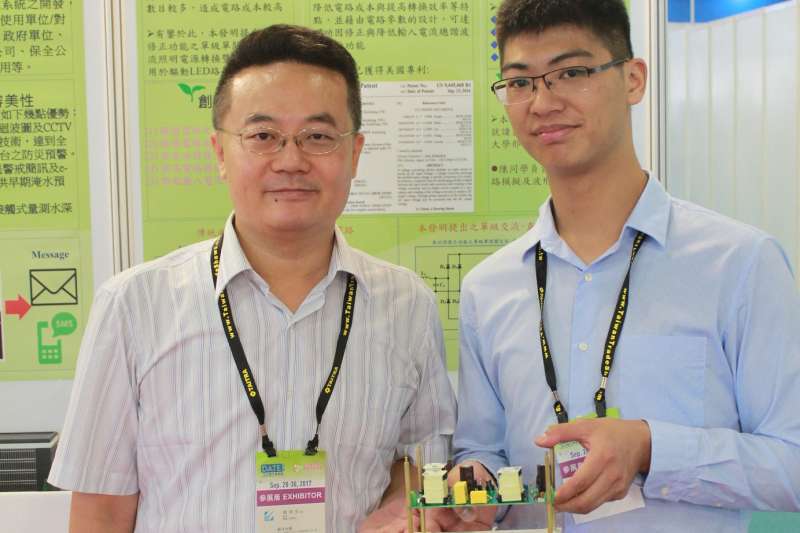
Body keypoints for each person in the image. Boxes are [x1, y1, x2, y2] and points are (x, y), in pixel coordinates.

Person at [48, 24, 456, 532]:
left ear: (354, 153)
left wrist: (399, 506)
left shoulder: (406, 304)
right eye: (263, 136)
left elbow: (418, 463)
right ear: (221, 153)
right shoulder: (134, 305)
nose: (291, 160)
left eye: (318, 137)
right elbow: (100, 513)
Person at [450, 0, 800, 531]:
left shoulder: (739, 264)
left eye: (571, 73)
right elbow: (483, 450)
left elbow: (792, 462)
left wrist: (651, 448)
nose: (542, 102)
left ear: (633, 79)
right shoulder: (488, 287)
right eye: (520, 82)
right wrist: (472, 492)